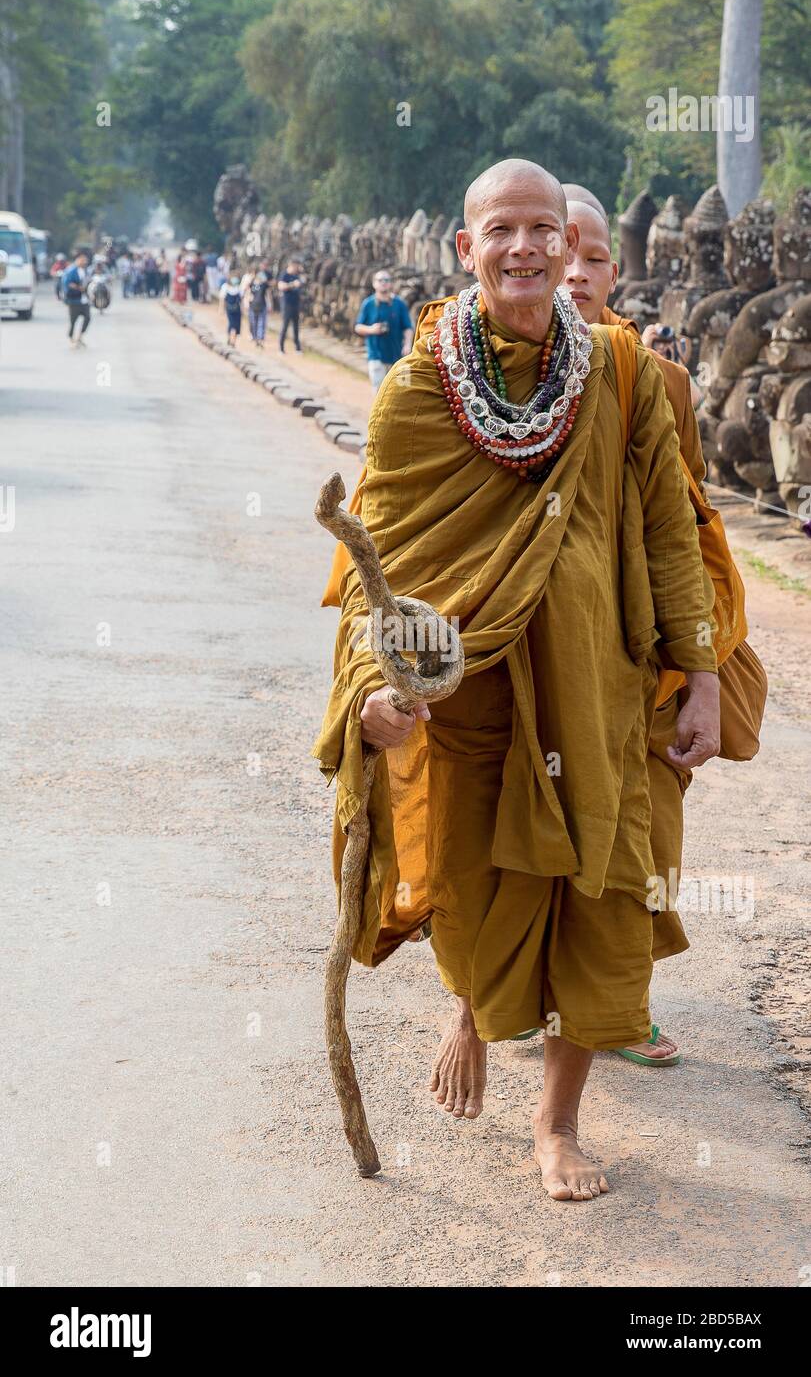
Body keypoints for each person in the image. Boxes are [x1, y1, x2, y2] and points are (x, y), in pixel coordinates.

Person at [314, 159, 721, 1203]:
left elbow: (672, 533)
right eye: (504, 230)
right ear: (466, 248)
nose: (529, 248)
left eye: (546, 228)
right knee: (469, 888)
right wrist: (369, 688)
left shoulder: (619, 373)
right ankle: (474, 1008)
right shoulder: (415, 389)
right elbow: (381, 570)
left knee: (596, 891)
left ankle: (556, 1124)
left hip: (596, 687)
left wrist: (703, 672)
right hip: (472, 698)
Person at [561, 187, 751, 1070]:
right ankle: (511, 1000)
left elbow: (688, 524)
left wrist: (701, 665)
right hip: (532, 652)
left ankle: (624, 1005)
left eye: (593, 256)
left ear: (615, 266)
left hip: (638, 658)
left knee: (646, 831)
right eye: (556, 251)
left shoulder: (659, 378)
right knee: (519, 830)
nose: (573, 273)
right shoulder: (466, 372)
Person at [354, 270, 414, 388]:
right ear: (374, 284)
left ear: (391, 283)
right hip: (376, 356)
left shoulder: (399, 304)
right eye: (380, 280)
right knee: (379, 392)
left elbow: (408, 327)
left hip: (398, 356)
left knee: (403, 391)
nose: (383, 283)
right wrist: (371, 329)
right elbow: (358, 327)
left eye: (386, 280)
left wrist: (407, 344)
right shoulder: (368, 304)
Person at [61, 252, 91, 347]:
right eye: (82, 259)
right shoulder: (71, 271)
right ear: (77, 260)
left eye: (85, 260)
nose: (84, 262)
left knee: (87, 317)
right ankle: (72, 339)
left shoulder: (85, 270)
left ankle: (80, 337)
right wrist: (79, 288)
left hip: (84, 300)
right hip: (74, 300)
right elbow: (67, 284)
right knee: (73, 321)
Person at [276, 257, 305, 353]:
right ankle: (281, 347)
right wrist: (292, 285)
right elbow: (281, 286)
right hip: (287, 304)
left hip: (295, 304)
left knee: (296, 327)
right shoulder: (284, 275)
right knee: (285, 326)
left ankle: (297, 347)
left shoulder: (297, 276)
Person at [247, 265, 270, 347]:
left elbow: (267, 294)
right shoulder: (251, 284)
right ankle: (255, 338)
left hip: (262, 305)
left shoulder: (264, 284)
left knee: (261, 323)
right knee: (254, 323)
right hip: (253, 306)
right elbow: (248, 293)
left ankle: (260, 339)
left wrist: (270, 304)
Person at [222, 273, 242, 347]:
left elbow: (241, 300)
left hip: (234, 310)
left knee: (234, 325)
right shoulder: (226, 287)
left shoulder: (238, 288)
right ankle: (232, 340)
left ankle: (232, 340)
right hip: (232, 309)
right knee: (233, 325)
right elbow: (223, 299)